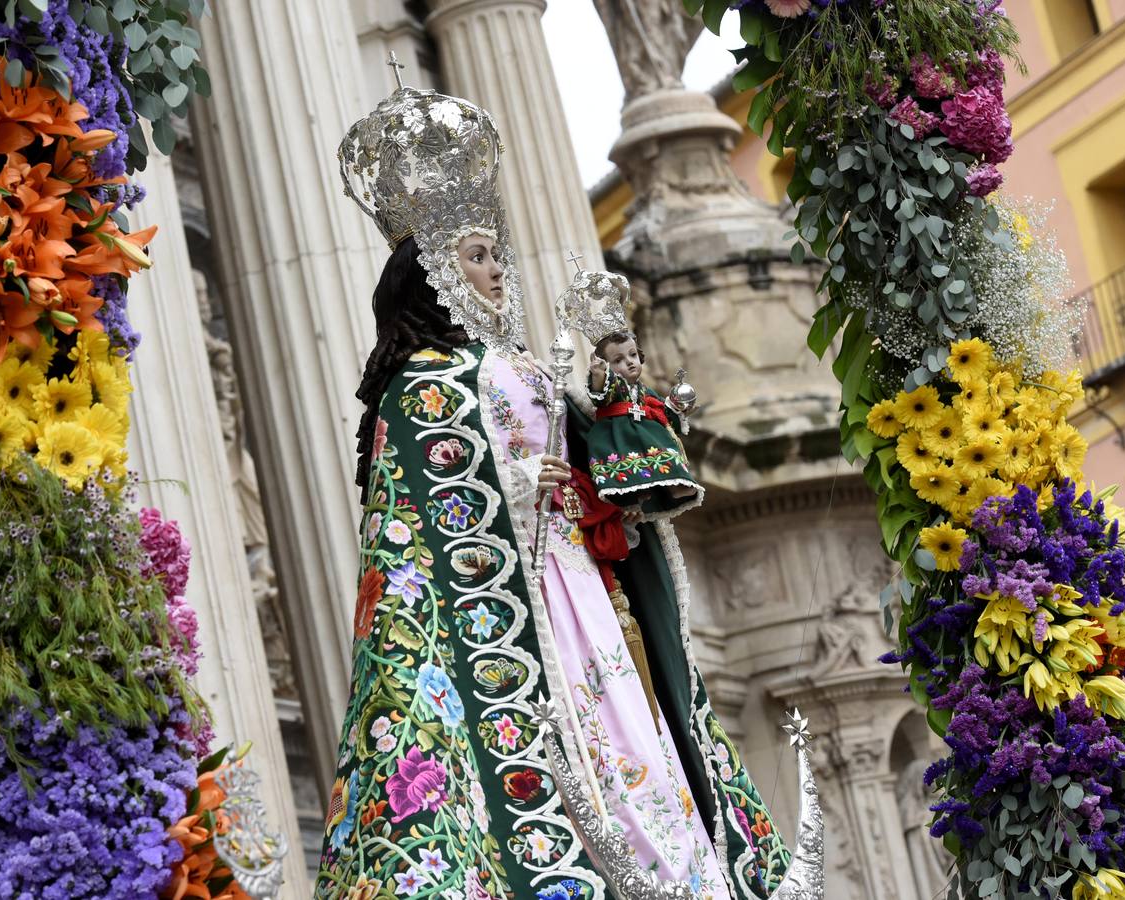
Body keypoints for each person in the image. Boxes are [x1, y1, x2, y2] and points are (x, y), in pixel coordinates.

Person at [318, 81, 788, 900]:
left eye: (497, 253)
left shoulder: (528, 366)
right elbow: (425, 517)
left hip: (580, 585)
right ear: (428, 270)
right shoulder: (419, 385)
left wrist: (612, 436)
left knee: (635, 746)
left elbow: (597, 461)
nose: (496, 269)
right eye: (474, 255)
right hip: (505, 601)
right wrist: (516, 489)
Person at [586, 330, 702, 519]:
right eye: (618, 360)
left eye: (632, 355)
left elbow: (661, 411)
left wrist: (679, 409)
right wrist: (598, 375)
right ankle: (633, 492)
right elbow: (599, 395)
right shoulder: (614, 385)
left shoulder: (644, 390)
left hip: (645, 430)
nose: (629, 361)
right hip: (620, 435)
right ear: (608, 367)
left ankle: (674, 485)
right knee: (632, 460)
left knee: (663, 445)